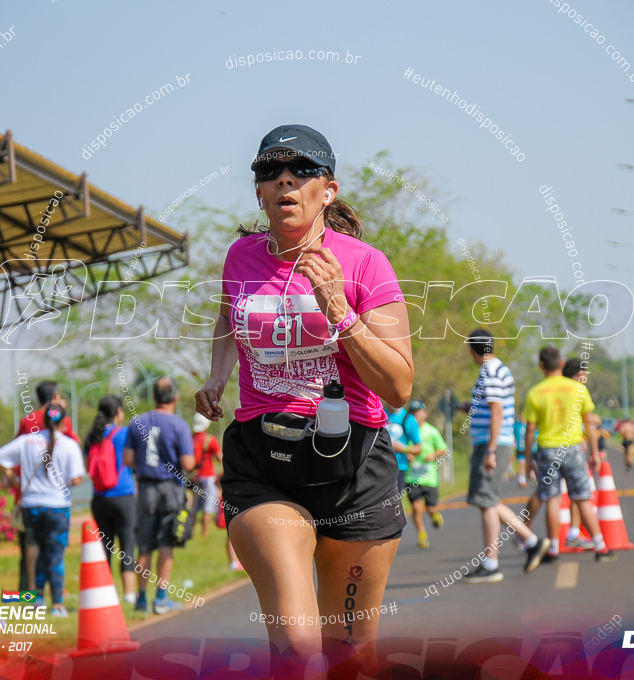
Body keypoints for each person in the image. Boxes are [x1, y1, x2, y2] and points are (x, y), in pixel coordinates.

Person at [195, 124, 413, 668]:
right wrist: (217, 375)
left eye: (302, 171)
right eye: (270, 172)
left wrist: (340, 311)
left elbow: (400, 387)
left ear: (328, 190)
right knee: (298, 647)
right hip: (265, 462)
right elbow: (228, 317)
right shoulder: (240, 258)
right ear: (260, 192)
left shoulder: (365, 264)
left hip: (353, 467)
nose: (285, 180)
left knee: (351, 654)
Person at [463, 329, 549, 583]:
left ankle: (492, 563)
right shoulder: (500, 369)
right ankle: (531, 541)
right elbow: (494, 406)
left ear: (472, 351)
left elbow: (498, 410)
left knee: (486, 501)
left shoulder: (489, 371)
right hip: (496, 442)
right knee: (487, 499)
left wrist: (490, 450)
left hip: (492, 444)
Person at [524, 347, 616, 563]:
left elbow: (529, 429)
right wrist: (594, 452)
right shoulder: (577, 389)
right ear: (562, 363)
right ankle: (600, 546)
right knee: (582, 496)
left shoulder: (535, 392)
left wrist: (528, 460)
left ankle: (554, 548)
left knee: (552, 498)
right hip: (574, 447)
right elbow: (590, 423)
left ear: (541, 367)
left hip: (547, 449)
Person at [0, 405, 84, 617]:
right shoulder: (70, 445)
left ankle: (38, 599)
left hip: (31, 505)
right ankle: (58, 603)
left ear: (43, 421)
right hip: (58, 507)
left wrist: (14, 479)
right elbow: (78, 478)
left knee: (35, 550)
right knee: (55, 554)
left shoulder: (28, 441)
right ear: (64, 422)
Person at [128, 377, 195, 615]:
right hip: (170, 489)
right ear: (175, 398)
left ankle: (141, 599)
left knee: (144, 546)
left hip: (146, 488)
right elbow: (187, 462)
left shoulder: (137, 422)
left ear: (154, 397)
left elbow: (127, 459)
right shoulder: (179, 425)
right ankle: (161, 598)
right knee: (166, 544)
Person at [14, 380, 78, 593]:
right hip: (55, 497)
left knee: (31, 547)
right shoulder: (61, 419)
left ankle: (30, 590)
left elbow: (16, 458)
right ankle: (57, 592)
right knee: (54, 547)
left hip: (30, 496)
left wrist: (16, 483)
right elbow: (73, 446)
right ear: (55, 397)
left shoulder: (26, 421)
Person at [84, 394, 138, 603]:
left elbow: (88, 463)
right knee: (127, 544)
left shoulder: (93, 435)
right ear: (118, 412)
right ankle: (130, 595)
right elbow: (132, 460)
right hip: (123, 495)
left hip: (99, 498)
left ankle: (103, 595)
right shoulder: (124, 433)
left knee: (105, 547)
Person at [404, 401, 447, 549]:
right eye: (412, 412)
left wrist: (433, 455)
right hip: (412, 476)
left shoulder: (431, 431)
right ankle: (422, 534)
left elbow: (443, 448)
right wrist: (407, 456)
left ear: (425, 413)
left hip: (429, 477)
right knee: (416, 507)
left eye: (418, 412)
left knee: (430, 508)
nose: (416, 415)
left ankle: (434, 514)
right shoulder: (406, 430)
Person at [191, 412, 223, 538]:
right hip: (208, 477)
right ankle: (204, 535)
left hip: (194, 477)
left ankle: (191, 533)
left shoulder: (190, 439)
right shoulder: (210, 440)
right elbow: (220, 458)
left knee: (194, 507)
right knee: (208, 508)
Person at [385, 404, 421, 492]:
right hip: (379, 466)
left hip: (399, 467)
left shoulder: (408, 418)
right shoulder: (379, 414)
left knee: (394, 501)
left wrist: (403, 449)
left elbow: (418, 448)